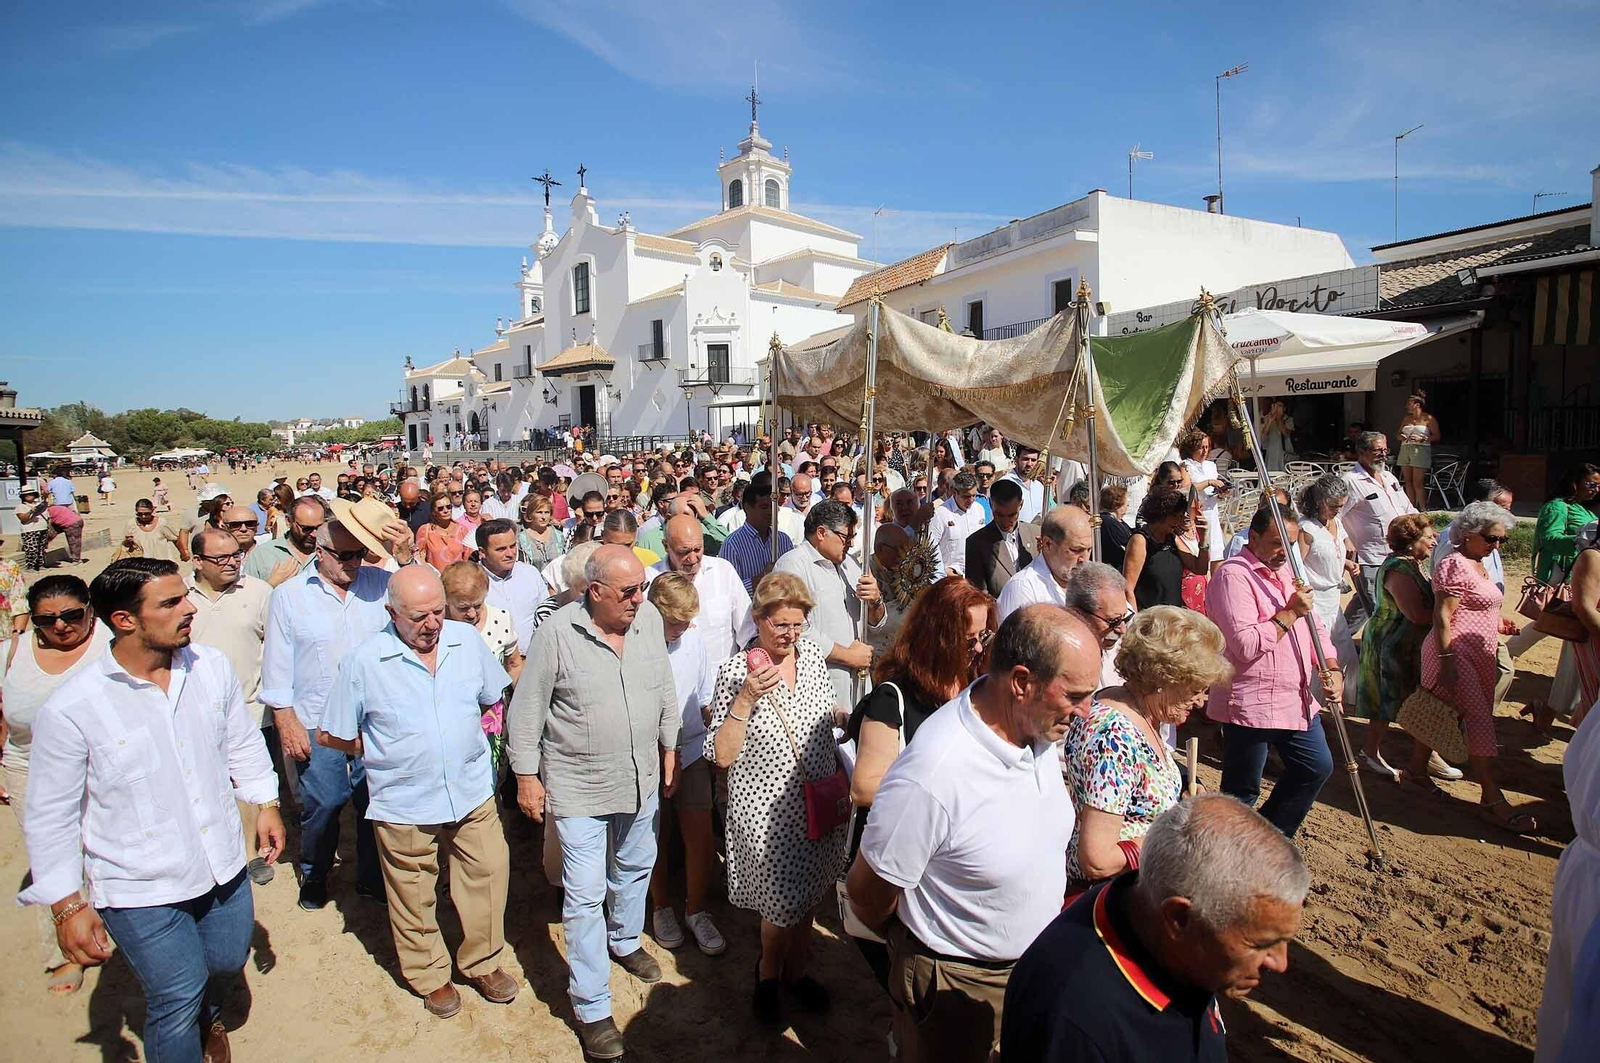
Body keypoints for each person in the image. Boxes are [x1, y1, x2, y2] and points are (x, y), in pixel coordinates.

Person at [20, 558, 284, 1063]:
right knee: (175, 994)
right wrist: (66, 904)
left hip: (222, 864)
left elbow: (242, 742)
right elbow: (50, 815)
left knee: (226, 962)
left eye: (185, 596)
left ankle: (209, 1013)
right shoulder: (73, 708)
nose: (189, 609)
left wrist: (265, 801)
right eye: (171, 603)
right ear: (124, 620)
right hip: (138, 886)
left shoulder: (210, 668)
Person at [846, 606, 1100, 1063]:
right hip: (957, 988)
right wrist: (920, 957)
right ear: (1021, 682)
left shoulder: (1036, 728)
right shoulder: (934, 774)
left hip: (1031, 969)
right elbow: (868, 892)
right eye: (1077, 695)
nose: (1085, 712)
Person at [320, 567, 518, 1019]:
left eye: (437, 613)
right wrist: (383, 748)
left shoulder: (465, 642)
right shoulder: (364, 661)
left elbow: (491, 695)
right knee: (412, 891)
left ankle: (483, 962)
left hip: (471, 791)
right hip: (403, 799)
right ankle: (430, 975)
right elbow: (331, 733)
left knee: (488, 874)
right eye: (418, 617)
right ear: (391, 613)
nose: (432, 624)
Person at [507, 545, 679, 1061]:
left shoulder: (647, 618)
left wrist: (669, 742)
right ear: (594, 591)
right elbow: (528, 708)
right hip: (578, 786)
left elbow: (662, 684)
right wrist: (525, 777)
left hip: (640, 778)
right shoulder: (557, 633)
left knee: (634, 866)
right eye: (627, 591)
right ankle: (591, 1006)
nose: (638, 598)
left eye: (641, 588)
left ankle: (624, 940)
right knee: (582, 897)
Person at [1001, 795, 1309, 1063]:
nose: (1280, 963)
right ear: (1179, 919)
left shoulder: (1149, 915)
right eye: (1260, 944)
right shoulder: (1075, 1024)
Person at [705, 571, 850, 1022]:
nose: (789, 634)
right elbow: (720, 754)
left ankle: (797, 972)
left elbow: (826, 716)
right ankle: (767, 973)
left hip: (818, 801)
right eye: (779, 625)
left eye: (798, 623)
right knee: (780, 907)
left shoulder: (810, 659)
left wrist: (848, 717)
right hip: (767, 814)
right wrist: (745, 698)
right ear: (757, 619)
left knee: (809, 899)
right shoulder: (735, 673)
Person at [843, 576, 997, 988]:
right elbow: (865, 787)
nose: (979, 648)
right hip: (902, 861)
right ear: (940, 638)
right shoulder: (892, 698)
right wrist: (952, 791)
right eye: (970, 640)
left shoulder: (973, 688)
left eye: (985, 635)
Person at [261, 517, 396, 910]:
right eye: (345, 556)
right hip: (315, 719)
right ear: (320, 553)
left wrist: (403, 554)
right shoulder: (289, 596)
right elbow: (277, 664)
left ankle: (371, 877)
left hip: (373, 717)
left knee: (373, 799)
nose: (354, 563)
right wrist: (285, 719)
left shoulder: (380, 584)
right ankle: (315, 871)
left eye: (360, 554)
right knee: (323, 801)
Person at [1062, 607, 1231, 890]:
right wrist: (1176, 834)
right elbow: (1097, 859)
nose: (1201, 701)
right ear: (1164, 680)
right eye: (1196, 689)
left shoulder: (1139, 711)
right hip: (1114, 895)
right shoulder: (1114, 736)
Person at [1, 575, 114, 996]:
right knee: (50, 859)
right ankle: (65, 954)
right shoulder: (12, 653)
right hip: (29, 767)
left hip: (101, 765)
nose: (61, 626)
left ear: (90, 609)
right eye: (47, 619)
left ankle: (115, 929)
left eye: (71, 615)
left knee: (105, 847)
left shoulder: (112, 644)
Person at [1205, 506, 1339, 838]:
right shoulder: (1233, 576)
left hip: (1296, 699)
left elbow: (1316, 627)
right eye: (1277, 543)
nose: (1284, 553)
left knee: (1316, 766)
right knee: (1242, 791)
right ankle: (1225, 854)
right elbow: (1246, 644)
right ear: (1253, 538)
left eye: (1290, 544)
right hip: (1251, 701)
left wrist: (1331, 666)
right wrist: (1291, 611)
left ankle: (1269, 836)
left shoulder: (1289, 574)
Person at [1407, 500, 1537, 831]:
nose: (1497, 546)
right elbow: (1443, 615)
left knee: (1440, 710)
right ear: (1466, 534)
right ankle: (1491, 798)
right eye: (1491, 538)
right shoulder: (1454, 564)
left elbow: (1475, 607)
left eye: (1501, 540)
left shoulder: (1479, 562)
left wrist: (1498, 622)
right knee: (1479, 719)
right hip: (1452, 652)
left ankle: (1415, 773)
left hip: (1477, 651)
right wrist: (1449, 660)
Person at [186, 526, 277, 884]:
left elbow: (274, 646)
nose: (231, 563)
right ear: (196, 561)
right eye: (220, 558)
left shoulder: (259, 593)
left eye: (236, 555)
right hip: (195, 714)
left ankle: (250, 853)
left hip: (250, 707)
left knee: (246, 783)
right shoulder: (181, 596)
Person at [645, 574, 725, 957]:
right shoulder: (637, 645)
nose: (682, 629)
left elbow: (704, 692)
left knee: (700, 835)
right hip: (647, 757)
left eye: (688, 621)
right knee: (655, 835)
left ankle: (697, 910)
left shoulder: (692, 638)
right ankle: (661, 907)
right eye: (675, 622)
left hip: (691, 751)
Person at [1350, 513, 1440, 783]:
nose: (1434, 540)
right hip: (1390, 644)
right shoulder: (1399, 569)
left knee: (1405, 698)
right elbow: (1416, 614)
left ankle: (1426, 755)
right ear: (1411, 542)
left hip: (1406, 643)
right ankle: (1370, 752)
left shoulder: (1413, 564)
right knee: (1387, 700)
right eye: (1428, 536)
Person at [774, 500, 885, 713]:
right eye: (846, 537)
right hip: (818, 684)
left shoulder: (851, 565)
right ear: (822, 533)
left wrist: (875, 601)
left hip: (859, 681)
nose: (851, 544)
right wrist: (847, 656)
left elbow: (875, 624)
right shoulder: (793, 565)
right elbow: (794, 629)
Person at [648, 513, 756, 667]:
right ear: (666, 546)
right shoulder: (649, 580)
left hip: (722, 683)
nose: (692, 560)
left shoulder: (723, 571)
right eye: (684, 552)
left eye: (697, 550)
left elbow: (748, 630)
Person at [1340, 431, 1415, 628]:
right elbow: (1334, 517)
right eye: (1377, 450)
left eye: (1385, 449)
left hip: (1396, 553)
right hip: (1369, 557)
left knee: (1366, 602)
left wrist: (1422, 526)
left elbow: (1407, 508)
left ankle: (1341, 639)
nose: (1383, 454)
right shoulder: (1351, 482)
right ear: (1362, 452)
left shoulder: (1389, 477)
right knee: (1380, 611)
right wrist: (1345, 540)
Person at [1298, 474, 1358, 669]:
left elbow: (1335, 549)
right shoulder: (1306, 529)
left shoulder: (1336, 522)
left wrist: (1346, 563)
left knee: (1345, 654)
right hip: (1316, 601)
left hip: (1334, 599)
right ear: (1319, 501)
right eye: (1333, 506)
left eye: (1341, 506)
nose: (1338, 511)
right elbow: (1297, 567)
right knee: (1320, 655)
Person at [996, 503, 1093, 622]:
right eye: (1076, 550)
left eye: (1089, 550)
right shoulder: (1023, 588)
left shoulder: (1090, 583)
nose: (1084, 558)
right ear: (1047, 544)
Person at [1123, 488, 1208, 612]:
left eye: (1181, 516)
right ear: (1161, 514)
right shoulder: (1140, 540)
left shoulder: (1172, 538)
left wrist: (1203, 538)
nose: (1179, 521)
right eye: (1175, 516)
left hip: (1172, 618)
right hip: (1149, 620)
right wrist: (1134, 622)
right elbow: (1128, 589)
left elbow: (1200, 569)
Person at [441, 561, 523, 686]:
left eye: (478, 605)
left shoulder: (501, 619)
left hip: (494, 702)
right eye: (463, 608)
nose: (472, 614)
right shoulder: (439, 626)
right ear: (446, 600)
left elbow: (514, 665)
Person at [477, 518, 549, 655]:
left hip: (533, 660)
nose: (510, 554)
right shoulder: (470, 583)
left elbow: (546, 616)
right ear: (482, 552)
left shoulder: (530, 574)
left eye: (512, 546)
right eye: (501, 549)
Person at [964, 477, 1037, 599]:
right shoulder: (976, 543)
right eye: (999, 515)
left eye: (1012, 515)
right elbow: (977, 595)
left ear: (1021, 505)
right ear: (990, 504)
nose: (1006, 521)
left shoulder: (1036, 534)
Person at [721, 473, 793, 594]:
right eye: (764, 507)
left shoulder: (783, 540)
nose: (770, 512)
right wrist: (760, 580)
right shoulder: (732, 545)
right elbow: (728, 590)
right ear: (747, 507)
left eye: (773, 507)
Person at [1535, 463, 1600, 585]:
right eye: (1592, 485)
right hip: (1561, 578)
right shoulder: (1557, 507)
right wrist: (1581, 540)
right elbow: (1549, 539)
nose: (1596, 490)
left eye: (1599, 486)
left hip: (1583, 573)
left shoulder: (1584, 510)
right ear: (1575, 483)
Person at [243, 495, 324, 583]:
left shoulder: (333, 553)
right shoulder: (262, 554)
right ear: (288, 521)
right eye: (307, 529)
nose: (314, 534)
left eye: (320, 527)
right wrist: (271, 585)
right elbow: (249, 595)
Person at [1178, 428, 1227, 565]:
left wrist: (1221, 493)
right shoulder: (1186, 465)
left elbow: (1213, 490)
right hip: (1198, 512)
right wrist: (1208, 482)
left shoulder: (1211, 466)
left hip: (1213, 510)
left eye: (1207, 447)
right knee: (1202, 551)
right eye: (1201, 448)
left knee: (1217, 554)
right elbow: (1186, 490)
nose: (1205, 451)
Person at [933, 471, 988, 578]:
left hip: (978, 573)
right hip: (952, 576)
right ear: (955, 492)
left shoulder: (979, 509)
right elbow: (932, 547)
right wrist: (943, 573)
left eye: (974, 495)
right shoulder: (941, 514)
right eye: (966, 496)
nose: (971, 500)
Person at [1396, 393, 1441, 509]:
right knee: (1408, 481)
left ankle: (1422, 508)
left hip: (1420, 449)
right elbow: (1398, 434)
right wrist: (1402, 437)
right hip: (1406, 448)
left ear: (1417, 405)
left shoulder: (1428, 418)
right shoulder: (1407, 418)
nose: (1407, 406)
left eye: (1409, 404)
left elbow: (1437, 436)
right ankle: (1410, 507)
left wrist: (1423, 438)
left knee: (1418, 482)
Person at [121, 497, 185, 563]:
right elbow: (125, 545)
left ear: (152, 510)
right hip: (140, 565)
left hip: (161, 563)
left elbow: (176, 539)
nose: (143, 516)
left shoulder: (162, 523)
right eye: (140, 514)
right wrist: (128, 542)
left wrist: (183, 553)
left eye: (146, 513)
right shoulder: (131, 524)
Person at [44, 465, 85, 565]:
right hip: (68, 506)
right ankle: (76, 558)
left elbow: (47, 493)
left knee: (49, 532)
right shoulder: (68, 482)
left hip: (56, 507)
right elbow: (72, 494)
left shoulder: (52, 482)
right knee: (74, 538)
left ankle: (43, 549)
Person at [516, 493, 566, 571]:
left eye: (547, 512)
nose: (543, 517)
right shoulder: (521, 539)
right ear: (530, 515)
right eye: (539, 512)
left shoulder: (559, 536)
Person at [15, 486, 52, 570]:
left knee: (41, 548)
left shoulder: (40, 504)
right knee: (31, 549)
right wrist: (31, 511)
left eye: (30, 494)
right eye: (26, 494)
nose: (28, 496)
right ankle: (31, 566)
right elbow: (23, 519)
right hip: (30, 530)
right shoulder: (21, 506)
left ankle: (40, 564)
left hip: (42, 528)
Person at [1098, 484, 1133, 573]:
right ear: (1117, 504)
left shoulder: (1115, 521)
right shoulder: (1109, 522)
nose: (1127, 508)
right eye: (1126, 504)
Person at [1260, 398, 1293, 472]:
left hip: (1284, 454)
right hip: (1271, 454)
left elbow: (1285, 432)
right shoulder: (1270, 419)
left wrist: (1279, 418)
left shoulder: (1288, 419)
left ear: (1284, 408)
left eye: (1280, 406)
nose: (1277, 408)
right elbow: (1264, 433)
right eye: (1276, 406)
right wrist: (1270, 421)